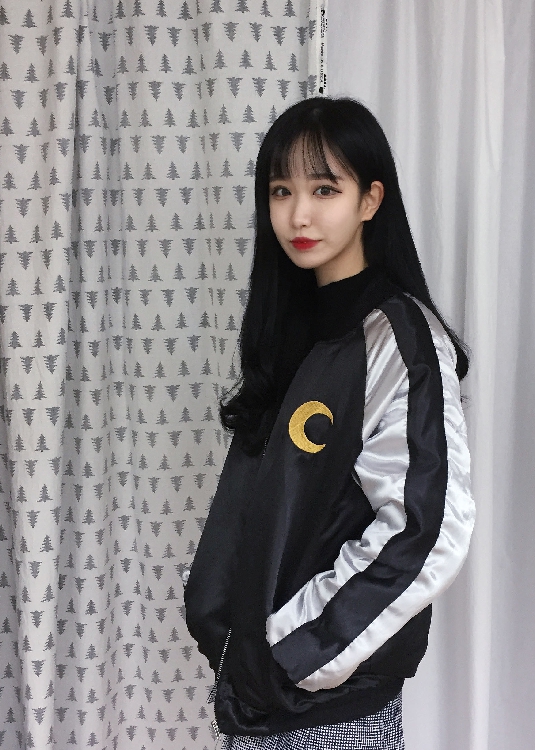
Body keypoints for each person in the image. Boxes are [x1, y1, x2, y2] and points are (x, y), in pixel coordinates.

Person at [184, 97, 475, 750]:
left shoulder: (396, 337)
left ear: (370, 199)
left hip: (333, 715)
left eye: (324, 189)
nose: (299, 214)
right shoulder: (293, 330)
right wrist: (235, 642)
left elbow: (427, 530)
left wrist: (286, 652)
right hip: (258, 704)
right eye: (280, 190)